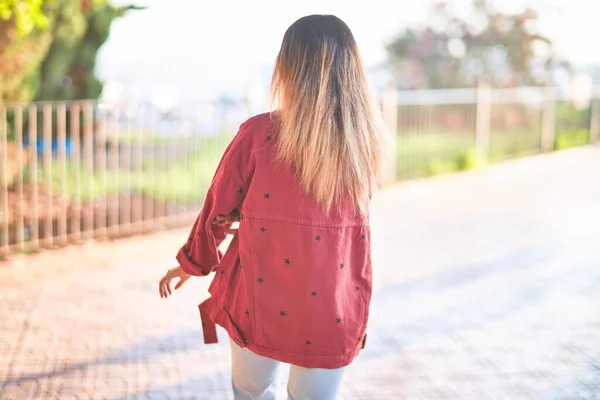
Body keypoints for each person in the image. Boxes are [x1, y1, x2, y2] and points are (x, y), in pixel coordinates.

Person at [159, 14, 387, 400]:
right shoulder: (366, 144)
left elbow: (216, 208)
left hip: (257, 298)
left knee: (251, 392)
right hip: (332, 305)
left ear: (289, 69)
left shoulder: (258, 134)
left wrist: (191, 263)